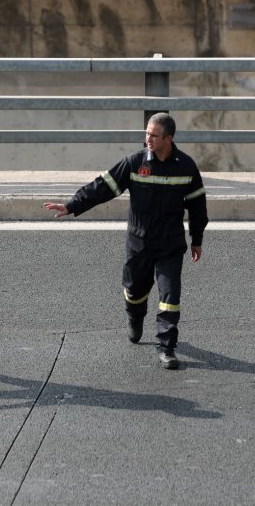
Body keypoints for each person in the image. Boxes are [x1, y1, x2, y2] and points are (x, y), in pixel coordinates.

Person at [44, 112, 208, 370]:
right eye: (146, 134)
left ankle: (167, 347)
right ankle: (134, 316)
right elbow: (103, 187)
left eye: (153, 135)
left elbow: (198, 206)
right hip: (139, 244)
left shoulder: (186, 166)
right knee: (134, 292)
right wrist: (72, 205)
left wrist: (196, 238)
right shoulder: (134, 163)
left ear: (168, 138)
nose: (148, 139)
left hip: (170, 245)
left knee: (170, 295)